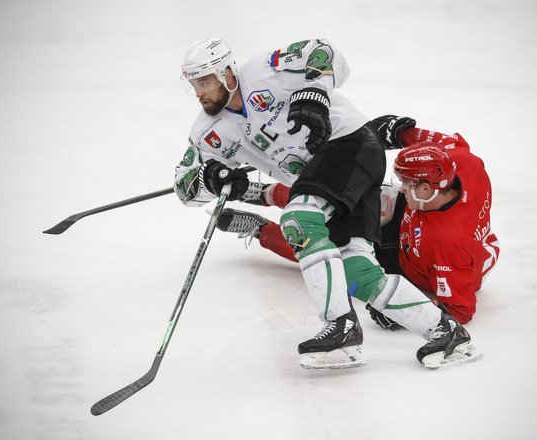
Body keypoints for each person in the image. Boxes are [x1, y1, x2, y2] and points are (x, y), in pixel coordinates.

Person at [174, 38, 480, 370]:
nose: (199, 93)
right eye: (194, 85)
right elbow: (184, 188)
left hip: (350, 145)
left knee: (299, 219)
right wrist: (210, 178)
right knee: (358, 271)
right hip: (327, 180)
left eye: (204, 82)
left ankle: (341, 327)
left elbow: (323, 50)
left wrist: (315, 93)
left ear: (228, 74)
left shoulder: (265, 71)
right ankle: (447, 334)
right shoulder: (206, 132)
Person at [219, 116, 500, 326]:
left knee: (328, 251)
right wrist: (397, 131)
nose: (400, 186)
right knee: (345, 196)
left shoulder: (448, 245)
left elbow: (461, 309)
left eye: (406, 183)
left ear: (427, 188)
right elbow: (432, 143)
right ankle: (265, 194)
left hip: (401, 260)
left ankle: (260, 229)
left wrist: (405, 313)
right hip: (416, 218)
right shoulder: (463, 163)